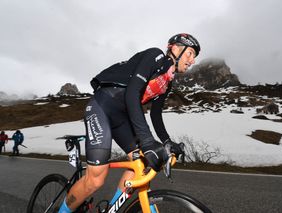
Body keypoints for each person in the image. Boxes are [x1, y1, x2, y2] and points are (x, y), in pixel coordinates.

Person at [59, 33, 201, 212]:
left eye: (195, 56)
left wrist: (166, 142)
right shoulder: (155, 56)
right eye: (190, 53)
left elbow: (156, 114)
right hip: (102, 107)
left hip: (121, 119)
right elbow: (132, 93)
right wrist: (147, 140)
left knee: (141, 165)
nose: (192, 60)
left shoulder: (167, 81)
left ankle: (112, 209)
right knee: (96, 179)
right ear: (174, 48)